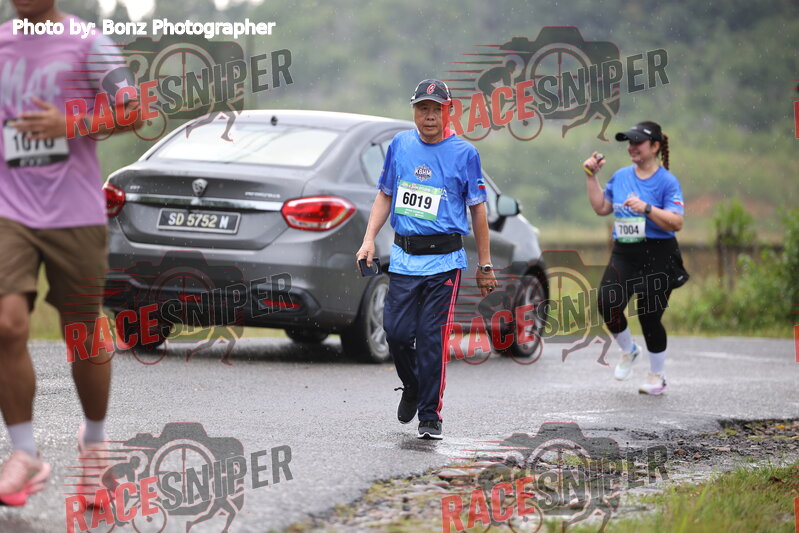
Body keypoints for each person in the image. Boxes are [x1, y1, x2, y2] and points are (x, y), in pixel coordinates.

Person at [0, 0, 140, 505]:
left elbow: (133, 109)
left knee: (82, 333)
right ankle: (24, 452)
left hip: (74, 212)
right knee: (6, 323)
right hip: (9, 209)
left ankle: (95, 443)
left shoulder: (89, 45)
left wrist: (69, 123)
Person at [355, 79, 497, 439]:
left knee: (431, 337)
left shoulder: (465, 154)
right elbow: (385, 194)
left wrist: (484, 264)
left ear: (449, 111)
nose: (429, 116)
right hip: (404, 257)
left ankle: (430, 415)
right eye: (423, 108)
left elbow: (478, 210)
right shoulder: (400, 145)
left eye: (436, 109)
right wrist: (369, 239)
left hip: (444, 262)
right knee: (397, 334)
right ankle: (413, 386)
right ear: (414, 111)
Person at [583, 121, 688, 395]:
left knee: (649, 315)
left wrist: (647, 208)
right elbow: (601, 207)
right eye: (629, 142)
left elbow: (677, 222)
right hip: (625, 251)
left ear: (655, 146)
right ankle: (629, 350)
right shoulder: (620, 176)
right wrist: (591, 176)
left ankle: (657, 375)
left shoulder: (667, 182)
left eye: (638, 142)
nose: (632, 147)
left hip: (659, 253)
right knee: (607, 303)